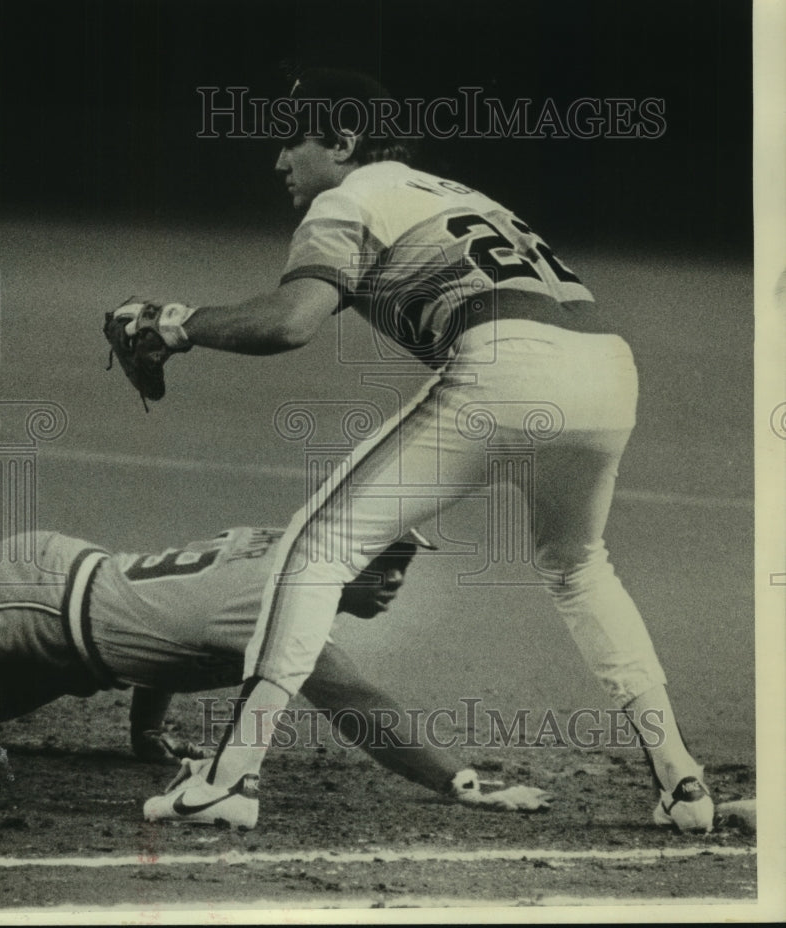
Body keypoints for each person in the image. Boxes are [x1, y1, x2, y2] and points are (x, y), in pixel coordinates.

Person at [112, 68, 714, 834]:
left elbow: (290, 323)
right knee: (577, 565)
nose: (277, 162)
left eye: (290, 139)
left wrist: (175, 322)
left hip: (509, 363)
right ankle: (681, 783)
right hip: (607, 370)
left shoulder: (347, 198)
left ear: (342, 139)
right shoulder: (459, 193)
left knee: (312, 549)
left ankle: (230, 779)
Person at [0, 525, 552, 829]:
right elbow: (355, 701)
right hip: (32, 601)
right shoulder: (291, 591)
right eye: (382, 564)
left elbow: (181, 617)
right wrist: (459, 782)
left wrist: (144, 732)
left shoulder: (280, 550)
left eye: (403, 565)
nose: (396, 580)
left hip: (66, 639)